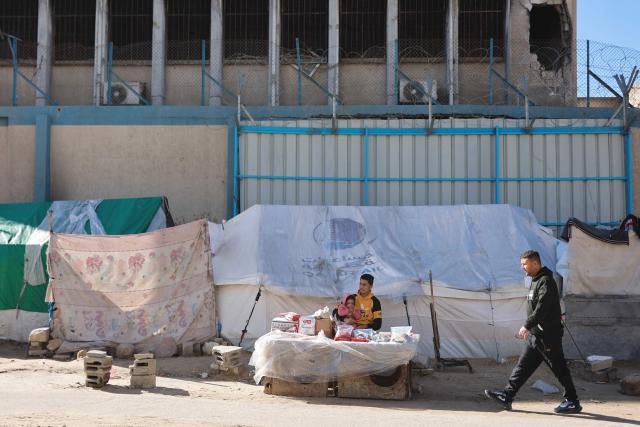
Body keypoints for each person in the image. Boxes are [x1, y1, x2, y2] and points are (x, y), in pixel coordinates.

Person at [485, 250, 581, 414]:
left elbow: (541, 308)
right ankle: (507, 395)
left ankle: (572, 400)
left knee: (559, 367)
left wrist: (527, 325)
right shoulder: (535, 281)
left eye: (525, 264)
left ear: (535, 263)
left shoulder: (546, 282)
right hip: (537, 336)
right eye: (521, 264)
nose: (522, 267)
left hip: (548, 336)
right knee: (522, 367)